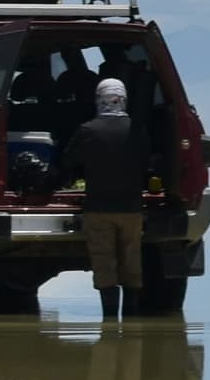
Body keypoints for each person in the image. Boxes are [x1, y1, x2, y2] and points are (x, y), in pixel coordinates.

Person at [61, 76, 151, 312]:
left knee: (104, 262)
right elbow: (147, 162)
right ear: (124, 100)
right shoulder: (137, 130)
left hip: (98, 208)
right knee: (132, 260)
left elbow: (68, 161)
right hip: (131, 209)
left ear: (98, 100)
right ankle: (131, 321)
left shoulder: (88, 130)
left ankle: (109, 320)